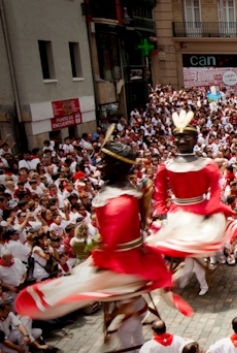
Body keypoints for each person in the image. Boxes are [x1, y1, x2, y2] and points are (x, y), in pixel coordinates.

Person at [14, 135, 189, 322]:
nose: (99, 164)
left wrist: (92, 248)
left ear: (116, 166)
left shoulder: (120, 201)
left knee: (77, 287)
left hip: (122, 262)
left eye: (105, 161)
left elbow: (113, 238)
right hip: (119, 257)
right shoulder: (120, 195)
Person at [147, 109, 237, 296]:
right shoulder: (166, 166)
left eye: (187, 137)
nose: (182, 141)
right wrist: (161, 211)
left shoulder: (207, 164)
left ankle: (202, 281)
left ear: (195, 140)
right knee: (174, 249)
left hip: (201, 208)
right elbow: (159, 191)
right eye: (178, 137)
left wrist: (212, 208)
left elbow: (215, 191)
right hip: (177, 211)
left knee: (196, 252)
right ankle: (177, 277)